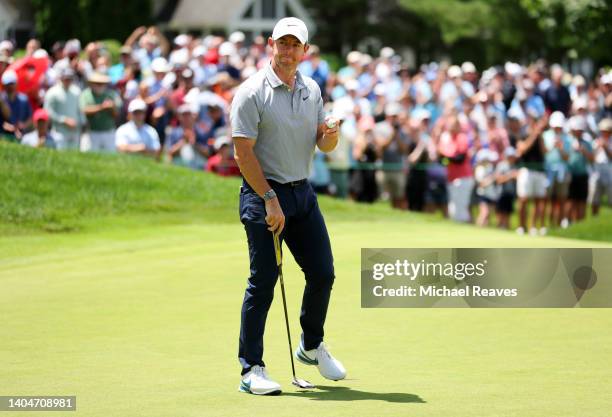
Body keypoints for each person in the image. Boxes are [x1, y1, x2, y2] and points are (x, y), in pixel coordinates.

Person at [230, 17, 346, 395]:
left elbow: (322, 145)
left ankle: (311, 345)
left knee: (323, 273)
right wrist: (269, 199)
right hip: (262, 193)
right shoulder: (251, 92)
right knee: (263, 282)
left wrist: (330, 135)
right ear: (270, 45)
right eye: (283, 43)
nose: (288, 50)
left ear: (305, 51)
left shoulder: (311, 90)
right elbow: (242, 153)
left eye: (295, 44)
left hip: (302, 194)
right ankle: (252, 368)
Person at [80, 72, 122, 152]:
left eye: (102, 84)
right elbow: (84, 110)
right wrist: (102, 107)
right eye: (97, 83)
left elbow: (116, 114)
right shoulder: (85, 94)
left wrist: (111, 107)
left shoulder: (112, 94)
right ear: (91, 84)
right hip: (91, 132)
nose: (100, 86)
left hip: (108, 132)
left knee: (110, 158)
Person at [43, 67, 83, 150]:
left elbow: (80, 110)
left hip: (75, 130)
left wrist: (81, 122)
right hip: (59, 130)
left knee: (74, 155)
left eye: (70, 78)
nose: (68, 80)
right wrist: (63, 120)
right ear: (61, 78)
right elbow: (48, 111)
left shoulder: (77, 92)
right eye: (66, 78)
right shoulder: (52, 92)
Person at [0, 69, 32, 140]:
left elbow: (30, 119)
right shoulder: (1, 99)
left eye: (12, 83)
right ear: (4, 85)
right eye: (8, 84)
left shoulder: (24, 99)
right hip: (3, 134)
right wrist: (5, 125)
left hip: (21, 135)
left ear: (16, 83)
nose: (10, 86)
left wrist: (23, 126)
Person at [590, 118, 612, 215]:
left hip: (609, 170)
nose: (604, 132)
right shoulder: (596, 142)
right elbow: (592, 158)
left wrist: (605, 147)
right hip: (597, 169)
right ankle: (595, 217)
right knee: (595, 196)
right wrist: (598, 148)